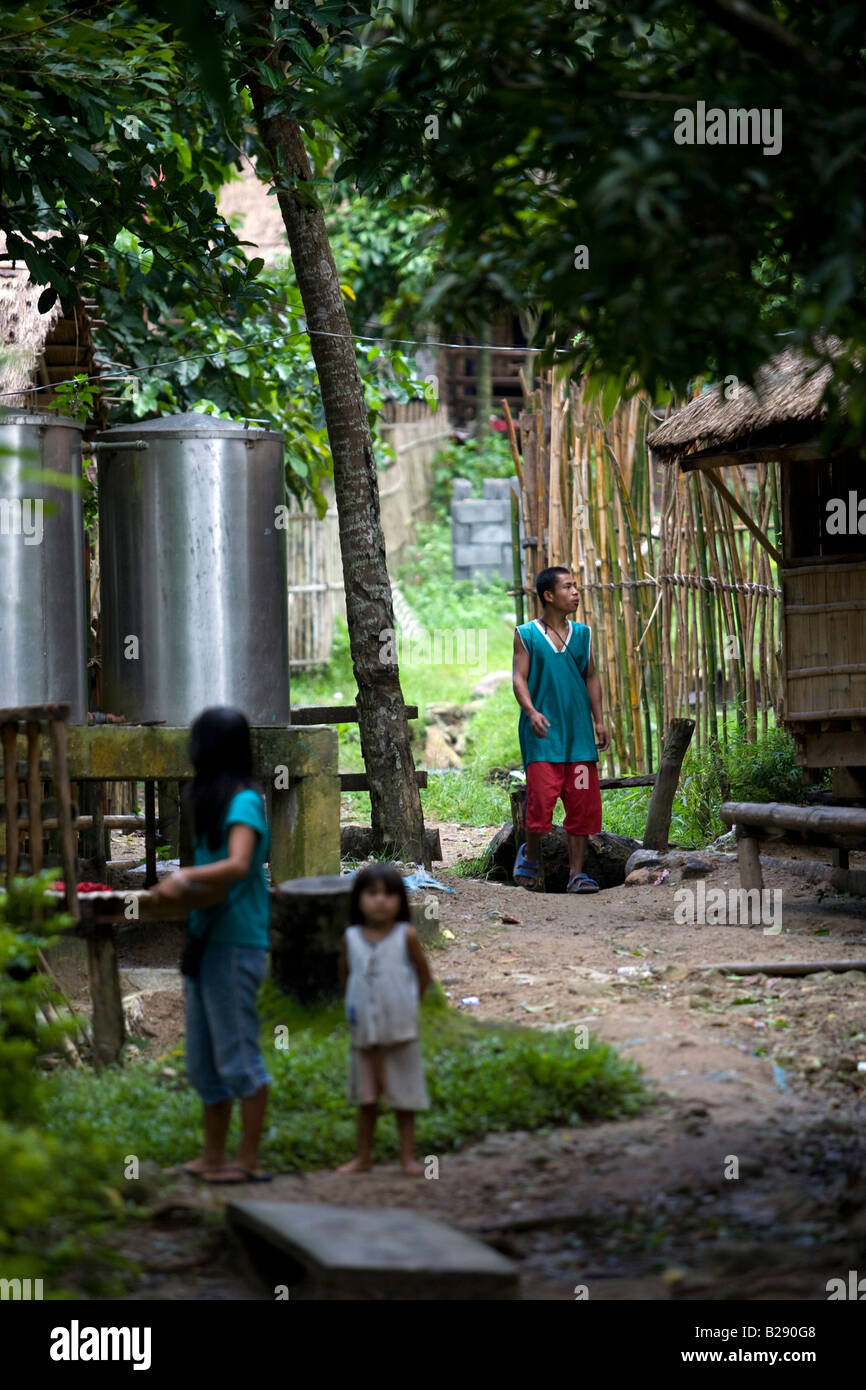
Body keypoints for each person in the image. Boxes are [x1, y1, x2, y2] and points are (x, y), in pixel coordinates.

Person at [152, 706, 272, 1184]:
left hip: (238, 942)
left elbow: (239, 864)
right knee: (205, 1061)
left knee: (240, 1057)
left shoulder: (245, 801)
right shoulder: (210, 800)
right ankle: (213, 1156)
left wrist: (183, 877)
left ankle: (248, 1162)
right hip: (206, 941)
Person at [511, 566, 611, 893]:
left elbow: (591, 676)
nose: (576, 592)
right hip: (543, 736)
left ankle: (576, 875)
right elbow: (518, 678)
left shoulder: (583, 635)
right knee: (540, 800)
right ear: (548, 596)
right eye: (568, 587)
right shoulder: (526, 634)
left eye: (576, 586)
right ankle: (531, 853)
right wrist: (531, 711)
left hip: (579, 738)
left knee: (581, 804)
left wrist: (599, 720)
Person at [337, 864, 432, 1176]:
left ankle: (407, 1159)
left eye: (389, 894)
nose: (381, 901)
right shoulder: (350, 938)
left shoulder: (407, 936)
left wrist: (408, 1003)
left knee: (404, 1097)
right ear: (358, 899)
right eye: (372, 893)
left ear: (400, 902)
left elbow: (423, 974)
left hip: (401, 1030)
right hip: (364, 1032)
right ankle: (363, 1158)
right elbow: (345, 976)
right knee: (366, 1098)